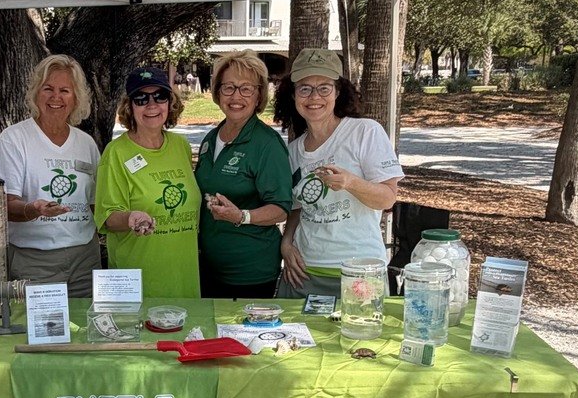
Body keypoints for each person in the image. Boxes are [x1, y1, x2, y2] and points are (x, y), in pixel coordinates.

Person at [279, 49, 403, 297]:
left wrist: (350, 182)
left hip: (360, 271)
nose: (314, 97)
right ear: (293, 95)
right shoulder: (292, 150)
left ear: (338, 92)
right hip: (304, 270)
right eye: (305, 88)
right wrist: (286, 243)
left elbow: (388, 197)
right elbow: (296, 207)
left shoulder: (365, 132)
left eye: (324, 88)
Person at [0, 55, 102, 297]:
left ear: (76, 97)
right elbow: (0, 204)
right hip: (35, 262)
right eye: (48, 88)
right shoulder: (14, 139)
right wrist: (34, 209)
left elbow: (96, 202)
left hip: (85, 260)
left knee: (88, 329)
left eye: (65, 90)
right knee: (42, 332)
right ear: (36, 93)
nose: (56, 97)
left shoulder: (86, 143)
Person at [194, 49, 293, 299]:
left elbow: (281, 208)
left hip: (250, 273)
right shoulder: (211, 138)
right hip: (208, 268)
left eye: (246, 88)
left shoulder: (267, 144)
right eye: (228, 87)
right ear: (217, 92)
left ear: (259, 94)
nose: (236, 96)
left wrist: (241, 216)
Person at [94, 67, 200, 297]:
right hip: (137, 282)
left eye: (160, 96)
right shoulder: (116, 153)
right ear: (129, 107)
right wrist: (130, 217)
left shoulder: (180, 146)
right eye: (141, 99)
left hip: (184, 276)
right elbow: (107, 217)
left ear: (170, 103)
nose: (151, 105)